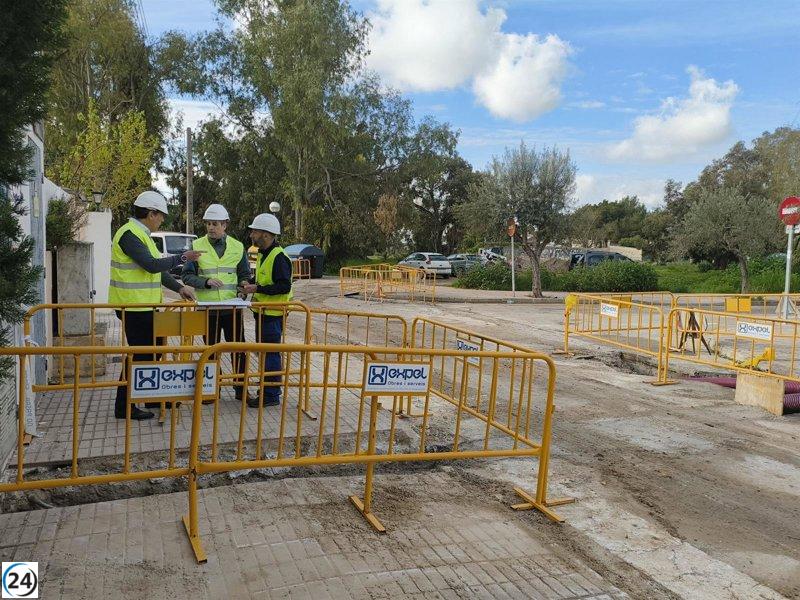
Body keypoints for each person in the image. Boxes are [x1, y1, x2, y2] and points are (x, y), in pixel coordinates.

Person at [109, 191, 202, 420]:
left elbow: (156, 271)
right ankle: (124, 406)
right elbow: (151, 265)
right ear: (151, 214)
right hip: (132, 308)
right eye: (161, 216)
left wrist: (179, 288)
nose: (162, 220)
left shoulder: (143, 236)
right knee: (140, 356)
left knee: (154, 351)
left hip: (146, 307)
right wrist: (183, 258)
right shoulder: (128, 234)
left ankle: (150, 396)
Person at [181, 203, 253, 403]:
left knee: (239, 349)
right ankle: (212, 390)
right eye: (208, 224)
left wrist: (244, 285)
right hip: (208, 309)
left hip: (232, 308)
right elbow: (186, 276)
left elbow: (244, 274)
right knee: (210, 350)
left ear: (225, 225)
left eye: (215, 224)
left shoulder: (238, 247)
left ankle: (241, 389)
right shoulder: (196, 247)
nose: (211, 227)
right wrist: (205, 282)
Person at [239, 213, 292, 407]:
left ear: (266, 235)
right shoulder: (264, 254)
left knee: (270, 354)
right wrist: (250, 284)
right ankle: (268, 390)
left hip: (273, 314)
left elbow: (284, 286)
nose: (252, 234)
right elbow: (264, 280)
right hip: (263, 313)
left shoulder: (279, 257)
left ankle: (270, 395)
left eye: (255, 231)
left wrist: (257, 289)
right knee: (266, 353)